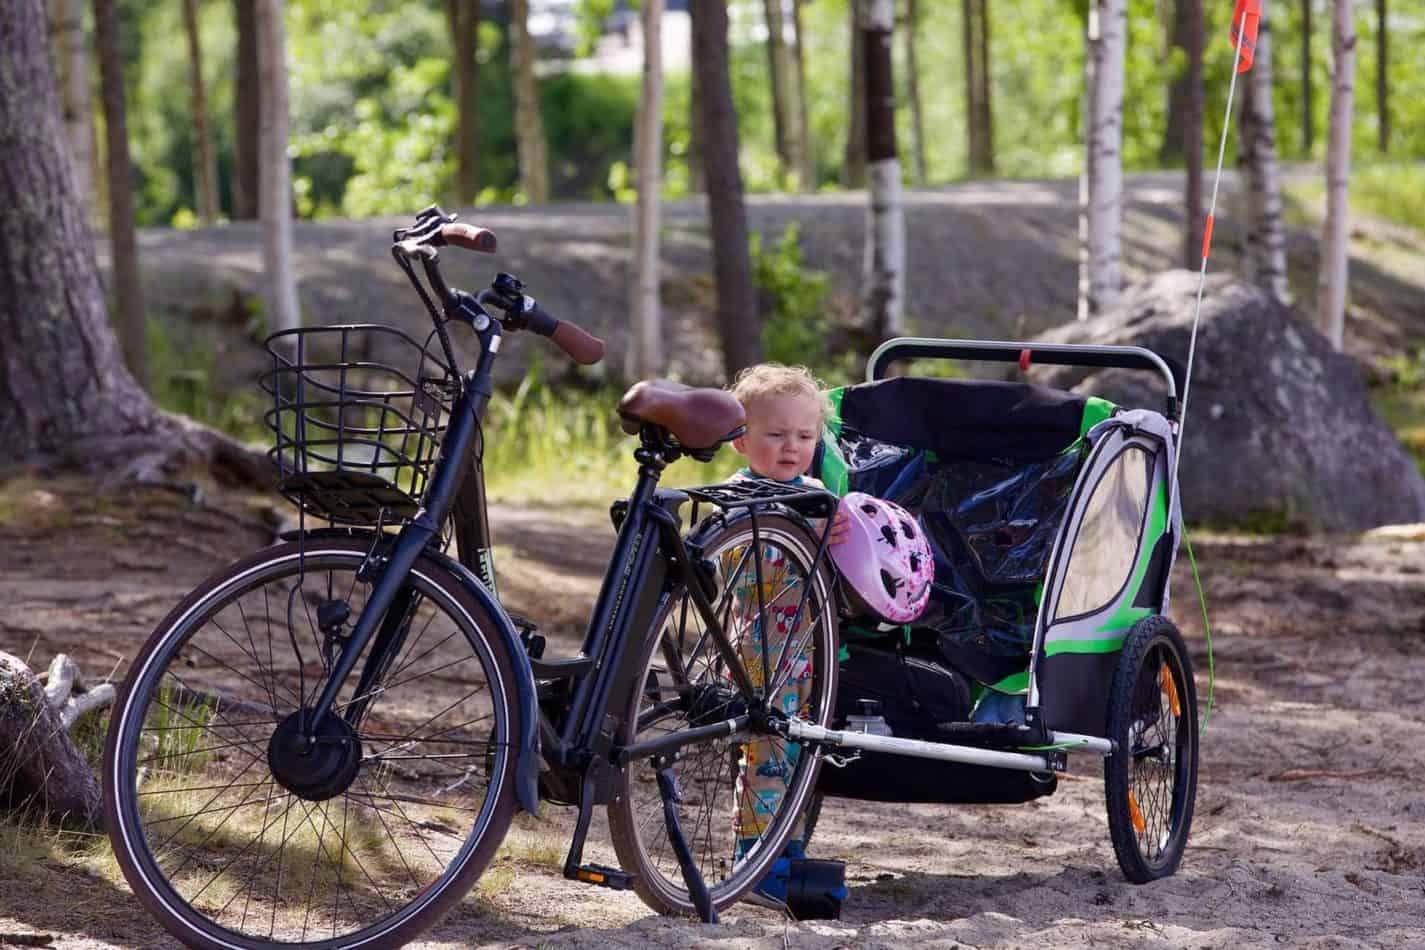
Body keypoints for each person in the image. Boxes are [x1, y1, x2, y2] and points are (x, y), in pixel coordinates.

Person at [724, 364, 847, 905]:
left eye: (804, 436)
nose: (791, 447)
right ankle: (753, 856)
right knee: (766, 751)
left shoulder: (815, 491)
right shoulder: (737, 496)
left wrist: (838, 534)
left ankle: (786, 844)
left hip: (807, 648)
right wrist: (804, 534)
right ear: (740, 441)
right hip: (760, 651)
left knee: (802, 750)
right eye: (775, 435)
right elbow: (740, 569)